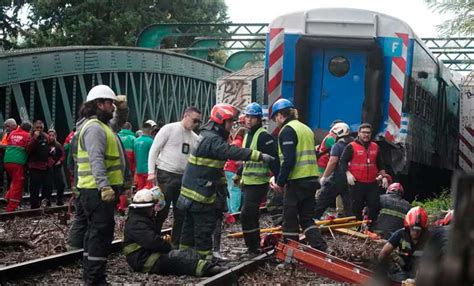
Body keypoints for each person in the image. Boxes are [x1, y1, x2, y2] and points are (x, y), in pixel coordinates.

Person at [177, 103, 274, 259]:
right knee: (204, 228)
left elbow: (215, 167)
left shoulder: (206, 135)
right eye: (230, 122)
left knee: (188, 229)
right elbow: (229, 151)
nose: (232, 125)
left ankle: (184, 257)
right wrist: (258, 155)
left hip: (192, 190)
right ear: (221, 121)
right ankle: (204, 260)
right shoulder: (213, 139)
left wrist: (222, 186)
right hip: (199, 193)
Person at [75, 84, 129, 284]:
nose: (113, 107)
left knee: (95, 233)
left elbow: (119, 121)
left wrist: (123, 109)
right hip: (96, 191)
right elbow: (95, 160)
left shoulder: (103, 126)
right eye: (110, 104)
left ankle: (92, 276)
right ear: (99, 104)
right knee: (100, 234)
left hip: (95, 190)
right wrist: (104, 186)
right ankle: (95, 279)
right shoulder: (95, 128)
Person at [123, 188, 225, 277]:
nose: (153, 210)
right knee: (177, 262)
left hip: (148, 255)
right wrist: (167, 246)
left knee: (182, 254)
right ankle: (207, 269)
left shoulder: (140, 219)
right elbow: (152, 242)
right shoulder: (136, 223)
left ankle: (207, 264)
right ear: (146, 208)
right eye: (152, 207)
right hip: (143, 261)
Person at [269, 98, 327, 252]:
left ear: (281, 115)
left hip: (296, 182)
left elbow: (289, 160)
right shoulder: (305, 128)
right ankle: (321, 250)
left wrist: (280, 183)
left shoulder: (287, 130)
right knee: (307, 219)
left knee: (289, 221)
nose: (276, 122)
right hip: (311, 180)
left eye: (275, 117)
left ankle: (289, 257)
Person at [147, 107, 202, 247]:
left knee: (181, 212)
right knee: (162, 210)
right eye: (194, 120)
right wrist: (151, 172)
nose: (196, 124)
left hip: (183, 176)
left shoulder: (195, 137)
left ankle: (175, 242)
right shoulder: (169, 129)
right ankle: (154, 240)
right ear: (186, 116)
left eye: (198, 122)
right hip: (166, 173)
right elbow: (154, 149)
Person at [235, 102, 280, 256]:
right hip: (248, 183)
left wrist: (279, 180)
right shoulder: (248, 135)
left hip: (258, 183)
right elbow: (247, 157)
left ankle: (253, 248)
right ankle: (253, 247)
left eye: (252, 117)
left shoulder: (264, 136)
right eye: (247, 116)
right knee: (250, 215)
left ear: (259, 119)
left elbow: (274, 160)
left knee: (247, 214)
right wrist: (238, 173)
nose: (249, 120)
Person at [339, 123, 389, 222]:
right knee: (356, 207)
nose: (366, 135)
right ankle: (357, 228)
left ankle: (370, 227)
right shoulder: (351, 146)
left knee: (374, 206)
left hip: (372, 183)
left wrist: (384, 176)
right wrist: (347, 174)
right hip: (356, 183)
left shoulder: (375, 147)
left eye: (368, 133)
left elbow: (380, 164)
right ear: (359, 133)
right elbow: (342, 162)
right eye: (364, 132)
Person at [378, 206, 430, 283]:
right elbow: (384, 252)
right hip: (402, 271)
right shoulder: (400, 234)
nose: (415, 232)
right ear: (408, 227)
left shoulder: (428, 238)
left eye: (418, 230)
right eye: (413, 228)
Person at [314, 122, 353, 219]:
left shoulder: (338, 145)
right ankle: (350, 220)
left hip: (337, 177)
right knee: (348, 202)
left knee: (322, 198)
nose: (333, 136)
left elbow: (332, 161)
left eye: (334, 134)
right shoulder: (353, 144)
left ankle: (312, 218)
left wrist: (324, 177)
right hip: (350, 177)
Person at [2, 121, 31, 211]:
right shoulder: (27, 135)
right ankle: (11, 207)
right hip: (17, 162)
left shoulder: (12, 133)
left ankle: (7, 197)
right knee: (18, 183)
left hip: (7, 161)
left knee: (14, 181)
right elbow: (30, 147)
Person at [223, 114, 246, 214]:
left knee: (230, 190)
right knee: (236, 191)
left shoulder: (235, 141)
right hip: (233, 170)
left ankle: (229, 210)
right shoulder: (240, 143)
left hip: (228, 169)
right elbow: (238, 160)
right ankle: (235, 212)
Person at [28, 120, 51, 208]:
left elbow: (49, 149)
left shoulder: (45, 136)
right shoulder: (30, 136)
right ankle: (34, 205)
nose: (39, 129)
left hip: (44, 165)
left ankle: (44, 204)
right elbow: (28, 149)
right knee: (34, 187)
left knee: (47, 186)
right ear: (34, 128)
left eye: (41, 128)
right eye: (37, 127)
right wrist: (34, 138)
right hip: (34, 165)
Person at [134, 120, 157, 190]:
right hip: (148, 170)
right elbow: (154, 156)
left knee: (140, 189)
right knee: (149, 190)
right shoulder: (151, 141)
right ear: (150, 131)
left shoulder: (135, 141)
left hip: (139, 169)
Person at [46, 129, 66, 206]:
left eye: (52, 136)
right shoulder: (45, 144)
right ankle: (48, 201)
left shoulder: (58, 145)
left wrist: (60, 161)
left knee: (61, 184)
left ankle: (59, 199)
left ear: (55, 136)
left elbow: (63, 154)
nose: (51, 137)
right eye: (49, 135)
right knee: (48, 185)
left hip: (56, 167)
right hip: (48, 168)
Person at [0, 118, 18, 195]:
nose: (6, 128)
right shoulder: (7, 133)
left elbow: (12, 146)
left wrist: (1, 145)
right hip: (6, 157)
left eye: (8, 126)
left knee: (11, 179)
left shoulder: (17, 133)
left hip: (13, 159)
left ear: (13, 126)